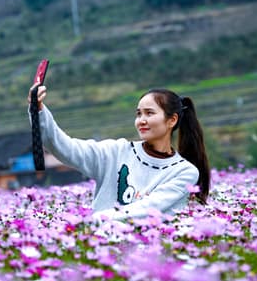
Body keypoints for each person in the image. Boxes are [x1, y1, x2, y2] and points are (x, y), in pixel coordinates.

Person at [28, 85, 210, 220]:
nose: (141, 121)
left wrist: (94, 220)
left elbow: (150, 207)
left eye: (149, 113)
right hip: (102, 249)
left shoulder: (184, 171)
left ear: (171, 120)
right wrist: (39, 112)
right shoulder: (117, 151)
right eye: (139, 114)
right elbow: (66, 148)